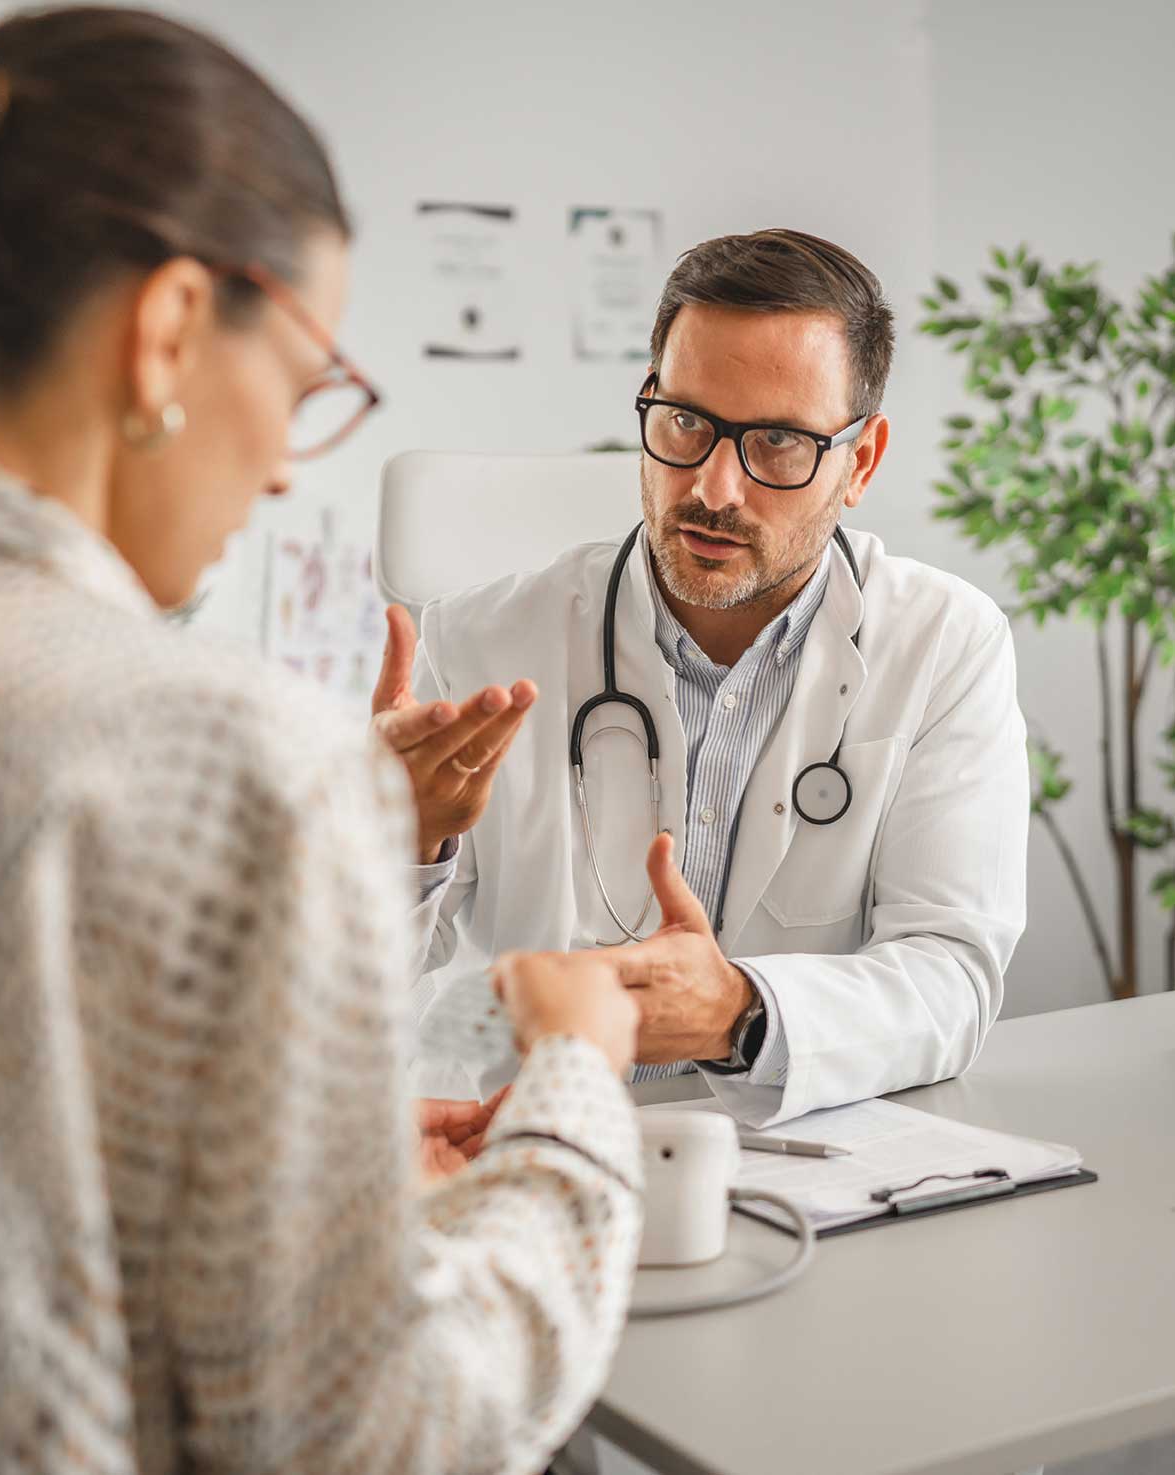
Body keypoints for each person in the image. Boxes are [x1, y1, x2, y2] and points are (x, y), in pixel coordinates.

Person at [0, 4, 644, 1471]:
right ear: (171, 330)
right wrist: (574, 1101)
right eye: (304, 383)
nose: (279, 466)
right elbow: (379, 1435)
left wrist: (300, 1160)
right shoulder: (242, 760)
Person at [375, 229, 1030, 1126]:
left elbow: (949, 974)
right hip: (522, 1143)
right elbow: (353, 989)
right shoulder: (479, 642)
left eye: (776, 442)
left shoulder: (944, 644)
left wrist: (738, 1014)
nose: (716, 487)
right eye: (685, 422)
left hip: (803, 1160)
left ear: (860, 462)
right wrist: (398, 845)